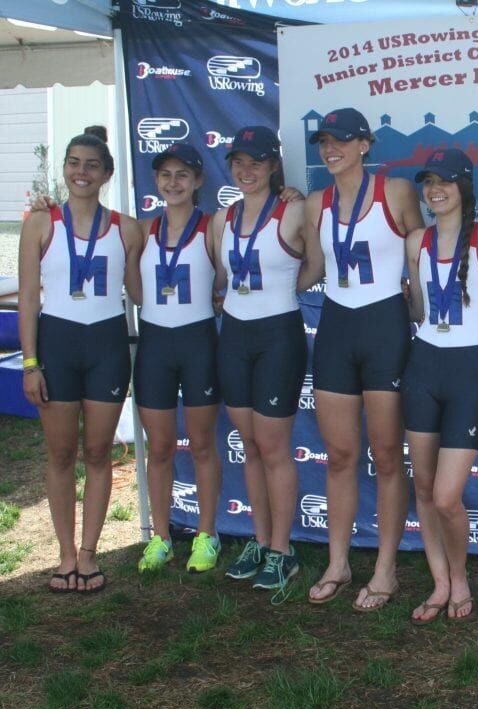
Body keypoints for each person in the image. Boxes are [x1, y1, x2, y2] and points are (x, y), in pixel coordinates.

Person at [298, 108, 424, 608]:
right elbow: (311, 267)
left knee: (388, 456)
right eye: (325, 142)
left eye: (342, 141)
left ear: (365, 144)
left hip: (385, 327)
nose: (331, 150)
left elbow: (423, 250)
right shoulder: (315, 202)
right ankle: (338, 562)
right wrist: (251, 293)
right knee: (341, 456)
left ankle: (386, 568)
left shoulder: (395, 193)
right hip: (336, 326)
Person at [18, 128, 144, 593]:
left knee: (97, 453)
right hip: (57, 345)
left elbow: (139, 291)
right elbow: (29, 297)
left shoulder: (127, 227)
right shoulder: (40, 223)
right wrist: (31, 364)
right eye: (74, 163)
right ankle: (64, 554)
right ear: (65, 169)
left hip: (107, 345)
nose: (81, 172)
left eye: (91, 165)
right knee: (60, 453)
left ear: (107, 173)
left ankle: (89, 555)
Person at [403, 148, 478, 624]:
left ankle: (461, 574)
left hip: (469, 370)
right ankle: (441, 582)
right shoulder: (416, 241)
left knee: (447, 495)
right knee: (425, 487)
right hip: (423, 367)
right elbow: (417, 312)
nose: (435, 191)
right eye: (428, 182)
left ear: (465, 187)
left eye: (444, 182)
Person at [210, 125, 312, 599]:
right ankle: (259, 538)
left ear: (273, 165)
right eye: (238, 162)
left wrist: (290, 285)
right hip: (235, 332)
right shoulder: (222, 218)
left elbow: (321, 262)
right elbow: (221, 275)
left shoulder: (293, 209)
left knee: (273, 445)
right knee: (248, 442)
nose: (245, 170)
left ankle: (282, 549)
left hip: (277, 334)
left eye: (256, 161)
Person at [134, 142, 222, 573]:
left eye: (183, 175)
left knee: (203, 444)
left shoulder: (214, 228)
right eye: (166, 175)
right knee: (161, 446)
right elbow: (134, 287)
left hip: (198, 342)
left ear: (198, 181)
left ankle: (207, 534)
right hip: (155, 343)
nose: (174, 183)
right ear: (156, 182)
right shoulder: (141, 230)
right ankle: (161, 537)